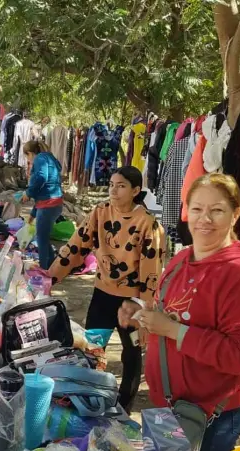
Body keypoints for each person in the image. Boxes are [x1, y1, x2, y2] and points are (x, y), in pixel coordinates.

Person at [118, 173, 240, 451]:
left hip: (210, 417)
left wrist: (173, 330)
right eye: (198, 209)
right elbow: (170, 312)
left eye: (217, 210)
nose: (205, 219)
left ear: (236, 213)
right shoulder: (181, 259)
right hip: (168, 408)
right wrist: (141, 316)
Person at [48, 166, 164, 411]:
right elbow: (77, 245)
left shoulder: (148, 224)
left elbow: (151, 271)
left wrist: (144, 309)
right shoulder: (100, 213)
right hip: (102, 295)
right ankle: (89, 399)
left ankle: (124, 405)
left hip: (131, 303)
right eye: (111, 184)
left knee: (131, 355)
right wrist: (51, 276)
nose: (114, 190)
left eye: (121, 186)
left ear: (135, 190)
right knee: (91, 350)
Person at [20, 140, 63, 269]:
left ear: (30, 153)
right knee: (43, 237)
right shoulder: (49, 158)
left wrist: (28, 192)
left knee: (41, 239)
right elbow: (43, 191)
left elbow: (41, 178)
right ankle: (52, 265)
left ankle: (44, 269)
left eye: (26, 156)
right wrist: (33, 215)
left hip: (48, 204)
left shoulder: (40, 158)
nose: (28, 160)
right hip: (54, 203)